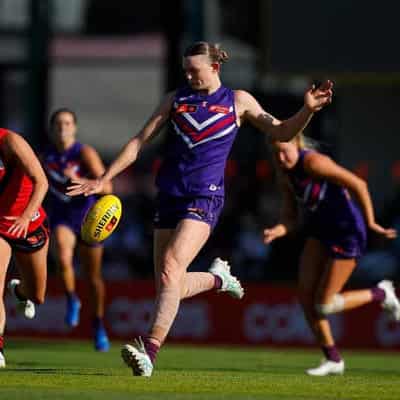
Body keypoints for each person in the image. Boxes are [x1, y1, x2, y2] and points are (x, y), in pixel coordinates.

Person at [67, 41, 333, 376]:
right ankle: (217, 279)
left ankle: (149, 352)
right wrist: (103, 177)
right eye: (186, 70)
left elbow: (282, 131)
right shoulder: (175, 99)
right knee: (168, 284)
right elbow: (139, 141)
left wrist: (307, 109)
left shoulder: (237, 101)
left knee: (169, 269)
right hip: (169, 196)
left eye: (196, 69)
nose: (190, 75)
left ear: (215, 68)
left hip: (204, 198)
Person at [263, 133, 399, 376]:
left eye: (285, 151)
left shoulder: (314, 162)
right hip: (319, 230)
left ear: (298, 145)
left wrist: (371, 222)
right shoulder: (285, 175)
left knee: (324, 305)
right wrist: (278, 230)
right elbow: (290, 218)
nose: (282, 158)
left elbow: (358, 184)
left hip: (347, 232)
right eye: (276, 154)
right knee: (306, 296)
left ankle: (381, 293)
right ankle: (332, 358)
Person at [41, 108, 112, 352]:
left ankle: (98, 324)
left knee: (93, 278)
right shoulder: (46, 156)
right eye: (58, 123)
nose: (63, 127)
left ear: (75, 127)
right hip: (62, 217)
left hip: (89, 220)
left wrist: (84, 182)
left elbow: (108, 186)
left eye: (68, 123)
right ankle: (72, 298)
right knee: (61, 253)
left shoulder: (84, 153)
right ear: (51, 128)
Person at [0, 128, 49, 368]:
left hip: (29, 224)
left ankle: (20, 292)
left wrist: (25, 217)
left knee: (37, 295)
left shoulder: (11, 141)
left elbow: (42, 182)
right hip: (0, 227)